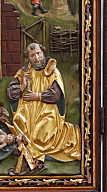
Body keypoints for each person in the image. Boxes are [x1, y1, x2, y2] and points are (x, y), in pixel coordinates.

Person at [6, 43, 81, 174]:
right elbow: (11, 93)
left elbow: (56, 94)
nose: (37, 58)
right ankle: (31, 157)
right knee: (20, 120)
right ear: (28, 58)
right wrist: (22, 86)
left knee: (43, 129)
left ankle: (33, 157)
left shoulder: (52, 71)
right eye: (33, 55)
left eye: (39, 53)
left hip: (48, 109)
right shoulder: (24, 72)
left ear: (43, 53)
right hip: (28, 108)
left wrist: (38, 96)